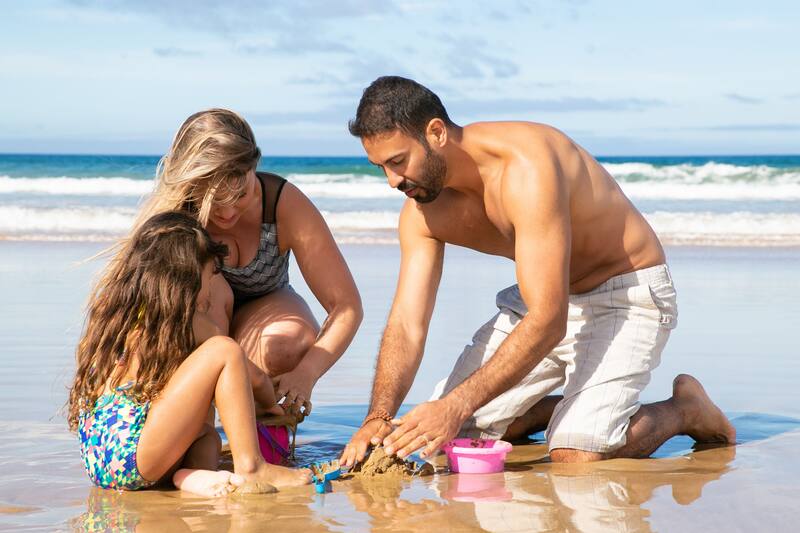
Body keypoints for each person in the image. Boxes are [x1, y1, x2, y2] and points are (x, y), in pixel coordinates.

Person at [340, 76, 736, 466]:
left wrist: (455, 404)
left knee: (574, 452)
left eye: (398, 162)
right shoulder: (421, 213)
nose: (392, 181)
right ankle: (565, 408)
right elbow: (408, 323)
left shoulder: (526, 168)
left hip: (624, 294)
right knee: (445, 440)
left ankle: (685, 409)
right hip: (541, 297)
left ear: (437, 132)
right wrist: (378, 417)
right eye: (381, 168)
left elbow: (550, 320)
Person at [133, 109, 363, 416]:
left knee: (287, 344)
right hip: (202, 321)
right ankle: (205, 431)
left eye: (240, 194)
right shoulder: (178, 219)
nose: (227, 213)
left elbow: (346, 307)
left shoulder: (283, 204)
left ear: (254, 167)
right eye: (214, 201)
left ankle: (263, 434)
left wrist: (307, 372)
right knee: (214, 290)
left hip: (267, 304)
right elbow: (139, 308)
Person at [67, 211, 311, 496]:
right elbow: (253, 376)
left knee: (206, 436)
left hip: (101, 458)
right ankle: (253, 466)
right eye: (211, 276)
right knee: (225, 351)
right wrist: (271, 404)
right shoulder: (189, 322)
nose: (212, 288)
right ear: (189, 278)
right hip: (137, 453)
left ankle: (190, 476)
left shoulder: (115, 314)